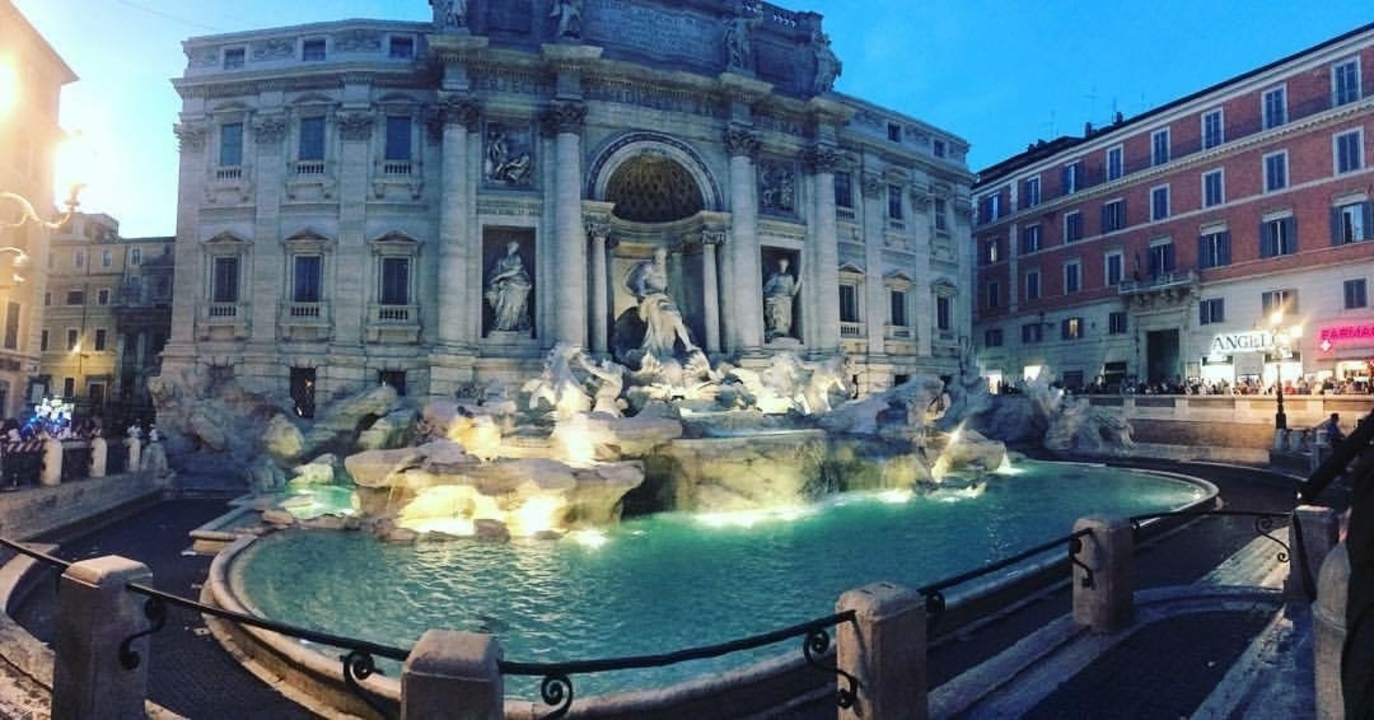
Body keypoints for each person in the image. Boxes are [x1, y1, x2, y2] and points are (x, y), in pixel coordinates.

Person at [626, 247, 696, 360]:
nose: (660, 259)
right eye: (658, 256)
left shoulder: (666, 268)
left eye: (662, 257)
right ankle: (659, 351)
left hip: (663, 299)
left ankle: (688, 345)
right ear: (654, 257)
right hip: (650, 299)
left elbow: (669, 287)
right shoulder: (648, 267)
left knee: (677, 320)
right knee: (656, 326)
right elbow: (639, 281)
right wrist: (641, 292)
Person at [485, 241, 533, 332]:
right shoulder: (501, 261)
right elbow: (494, 273)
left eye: (515, 247)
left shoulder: (517, 258)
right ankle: (502, 324)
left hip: (517, 284)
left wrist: (500, 276)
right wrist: (495, 280)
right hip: (504, 284)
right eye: (512, 246)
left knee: (513, 304)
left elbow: (515, 271)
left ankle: (512, 324)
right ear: (508, 246)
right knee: (502, 301)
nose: (514, 248)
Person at [763, 257, 801, 341]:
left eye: (785, 264)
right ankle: (776, 332)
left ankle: (784, 332)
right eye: (781, 264)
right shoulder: (774, 276)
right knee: (777, 316)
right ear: (778, 265)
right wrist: (771, 298)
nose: (783, 266)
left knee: (786, 317)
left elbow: (792, 292)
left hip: (786, 300)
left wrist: (799, 281)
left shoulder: (789, 277)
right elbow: (766, 289)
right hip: (776, 299)